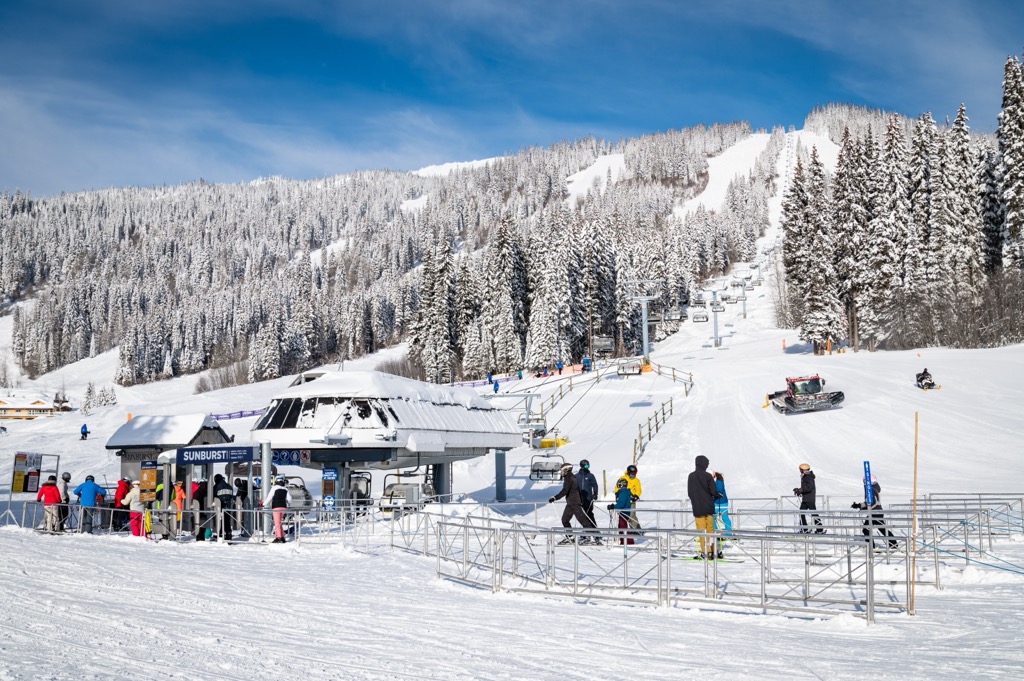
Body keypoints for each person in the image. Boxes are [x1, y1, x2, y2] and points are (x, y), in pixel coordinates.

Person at [548, 462, 599, 544]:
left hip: (574, 503)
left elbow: (565, 490)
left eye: (561, 470)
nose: (561, 472)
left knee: (583, 520)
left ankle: (592, 537)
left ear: (566, 470)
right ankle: (570, 537)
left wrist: (555, 497)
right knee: (565, 520)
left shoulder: (569, 477)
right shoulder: (572, 477)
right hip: (570, 503)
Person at [851, 474, 899, 549]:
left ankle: (871, 547)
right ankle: (893, 545)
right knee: (882, 529)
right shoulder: (873, 489)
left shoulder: (871, 490)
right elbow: (869, 502)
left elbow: (872, 503)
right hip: (877, 512)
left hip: (875, 513)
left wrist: (862, 507)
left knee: (866, 529)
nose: (863, 482)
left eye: (864, 481)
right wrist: (859, 505)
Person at [687, 455, 722, 559]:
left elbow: (690, 493)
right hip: (709, 507)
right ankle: (712, 550)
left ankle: (705, 552)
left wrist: (696, 500)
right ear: (704, 464)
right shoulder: (707, 476)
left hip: (698, 508)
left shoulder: (691, 476)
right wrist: (717, 494)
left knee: (702, 531)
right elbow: (713, 491)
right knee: (710, 530)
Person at [794, 463, 824, 533]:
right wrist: (799, 490)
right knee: (802, 512)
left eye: (800, 469)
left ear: (803, 470)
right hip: (806, 498)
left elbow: (809, 488)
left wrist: (800, 490)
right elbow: (806, 488)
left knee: (813, 513)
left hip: (809, 499)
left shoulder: (808, 477)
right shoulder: (805, 476)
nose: (799, 470)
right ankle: (805, 528)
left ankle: (819, 529)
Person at [606, 477, 635, 545]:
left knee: (623, 526)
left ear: (621, 485)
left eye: (618, 485)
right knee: (621, 526)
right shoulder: (623, 492)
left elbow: (621, 503)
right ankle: (623, 540)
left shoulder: (623, 493)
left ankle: (628, 541)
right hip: (624, 511)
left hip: (624, 512)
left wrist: (613, 506)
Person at [265, 476, 292, 543]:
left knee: (277, 523)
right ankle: (281, 536)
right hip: (283, 507)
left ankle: (279, 538)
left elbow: (269, 497)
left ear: (276, 481)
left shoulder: (274, 488)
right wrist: (288, 503)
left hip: (276, 507)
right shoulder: (285, 489)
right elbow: (290, 499)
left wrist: (263, 504)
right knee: (278, 522)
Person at [576, 459, 599, 527]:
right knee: (582, 515)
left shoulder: (590, 475)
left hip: (588, 498)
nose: (587, 467)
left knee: (589, 514)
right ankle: (586, 531)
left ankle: (595, 530)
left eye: (588, 465)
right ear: (582, 466)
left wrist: (595, 493)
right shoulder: (577, 476)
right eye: (586, 466)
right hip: (579, 498)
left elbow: (595, 485)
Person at [212, 474, 235, 541]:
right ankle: (228, 535)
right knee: (227, 521)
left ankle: (220, 534)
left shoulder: (216, 486)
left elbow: (214, 495)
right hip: (228, 506)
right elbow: (231, 496)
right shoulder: (229, 486)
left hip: (220, 506)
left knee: (219, 520)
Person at [622, 464, 642, 530]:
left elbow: (638, 489)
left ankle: (636, 530)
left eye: (635, 473)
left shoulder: (636, 480)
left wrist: (636, 495)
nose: (634, 475)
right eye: (632, 473)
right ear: (628, 472)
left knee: (631, 515)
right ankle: (626, 530)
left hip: (631, 500)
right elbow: (617, 488)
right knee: (625, 516)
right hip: (623, 500)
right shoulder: (622, 479)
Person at [713, 471, 732, 537]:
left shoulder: (719, 481)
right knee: (713, 517)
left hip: (722, 502)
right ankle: (715, 532)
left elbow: (719, 491)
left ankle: (728, 533)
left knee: (724, 517)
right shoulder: (715, 481)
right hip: (716, 502)